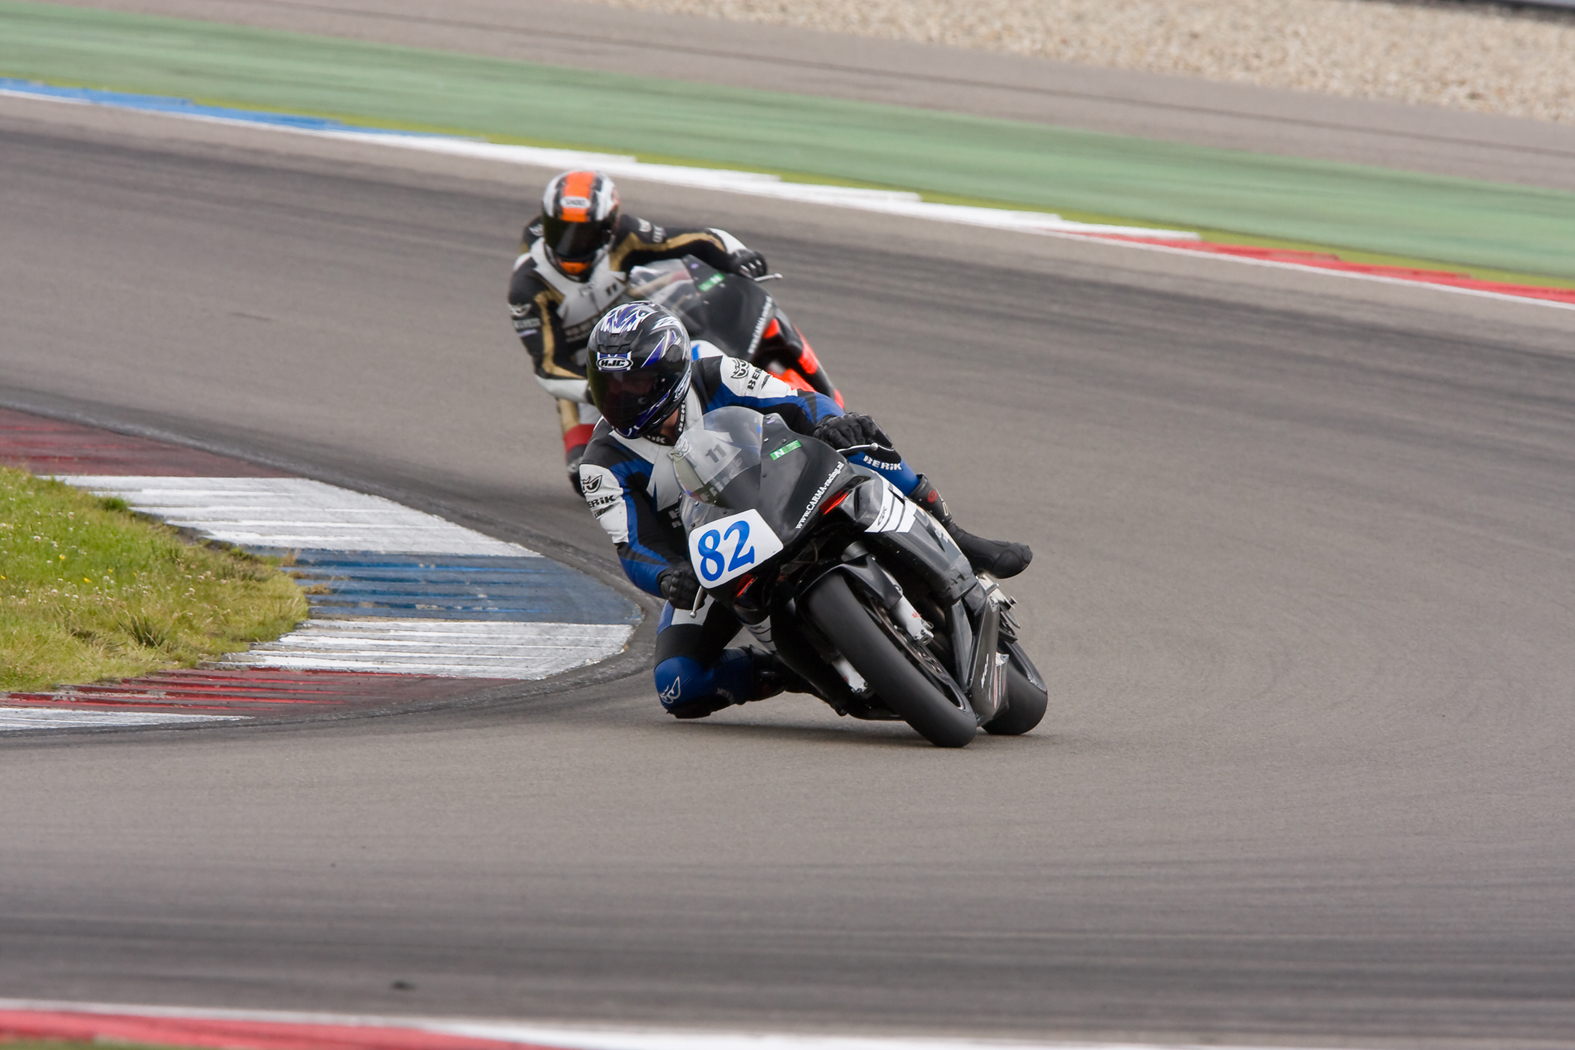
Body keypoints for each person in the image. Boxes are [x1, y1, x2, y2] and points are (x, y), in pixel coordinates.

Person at [577, 301, 1032, 720]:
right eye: (610, 385)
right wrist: (668, 576)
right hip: (718, 564)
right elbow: (633, 546)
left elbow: (799, 402)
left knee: (860, 439)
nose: (622, 397)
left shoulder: (717, 374)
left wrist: (831, 423)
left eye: (634, 383)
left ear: (670, 372)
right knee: (677, 685)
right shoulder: (600, 465)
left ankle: (957, 535)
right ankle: (794, 669)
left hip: (784, 490)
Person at [509, 169, 820, 492]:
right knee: (584, 473)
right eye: (560, 231)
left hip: (642, 339)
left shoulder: (625, 235)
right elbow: (548, 369)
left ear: (607, 228)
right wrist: (598, 391)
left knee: (699, 371)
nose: (569, 245)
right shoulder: (528, 288)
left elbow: (699, 239)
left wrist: (738, 255)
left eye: (582, 234)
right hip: (592, 374)